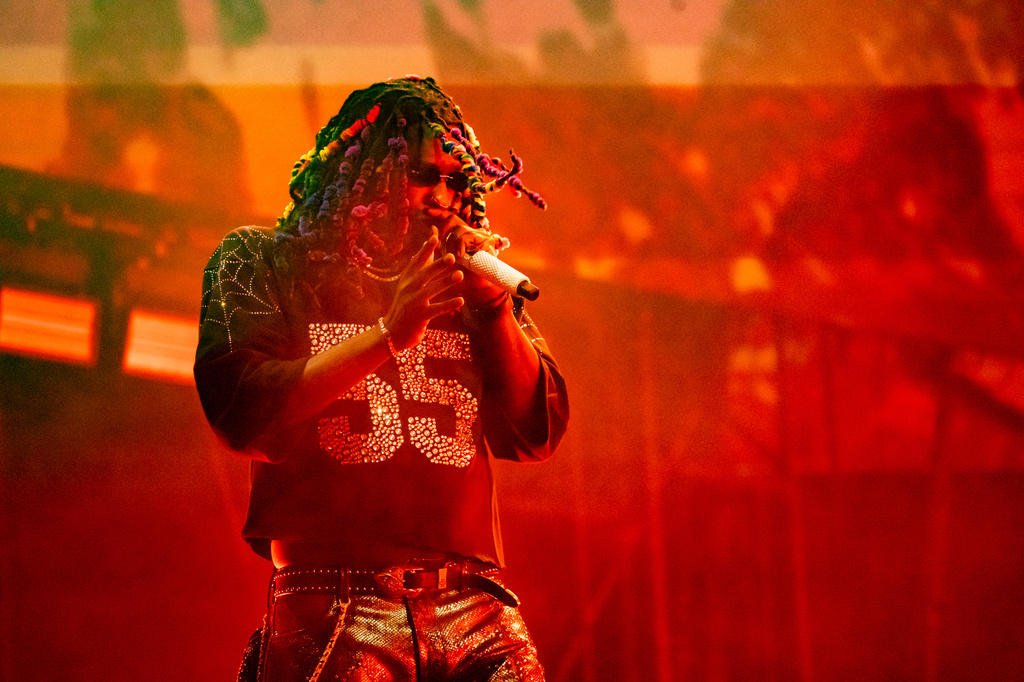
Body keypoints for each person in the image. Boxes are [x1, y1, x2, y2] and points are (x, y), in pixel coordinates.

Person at [194, 76, 569, 682]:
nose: (443, 196)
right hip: (338, 602)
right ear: (361, 169)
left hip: (477, 607)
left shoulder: (472, 288)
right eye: (424, 174)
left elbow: (539, 429)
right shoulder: (259, 261)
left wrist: (495, 311)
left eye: (456, 180)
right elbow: (243, 407)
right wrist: (390, 333)